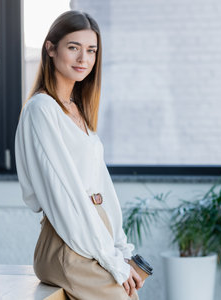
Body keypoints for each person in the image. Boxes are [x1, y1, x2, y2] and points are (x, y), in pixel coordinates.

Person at [15, 10, 143, 299]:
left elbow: (103, 189)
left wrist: (120, 251)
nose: (83, 59)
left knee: (131, 294)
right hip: (67, 242)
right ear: (50, 48)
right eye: (73, 48)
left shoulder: (77, 110)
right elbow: (67, 195)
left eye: (91, 50)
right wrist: (111, 261)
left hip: (94, 236)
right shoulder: (42, 110)